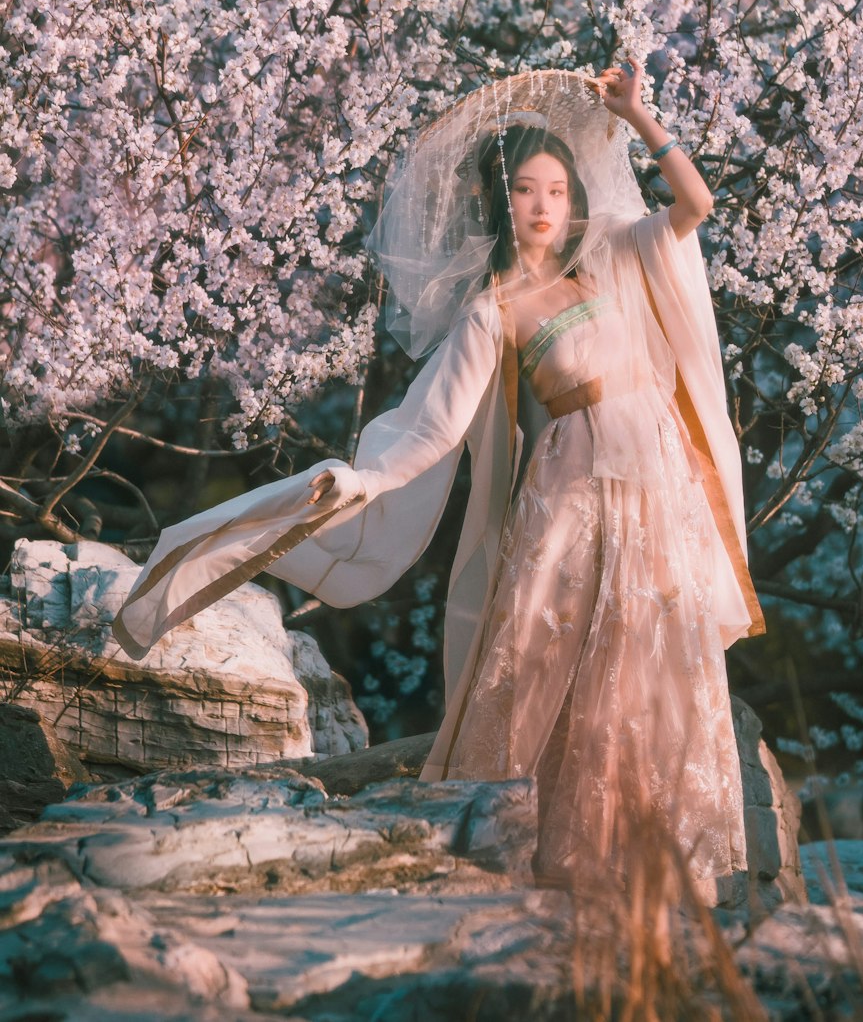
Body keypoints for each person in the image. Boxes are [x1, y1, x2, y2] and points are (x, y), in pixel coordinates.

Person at [113, 61, 764, 899]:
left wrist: (639, 116)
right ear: (506, 202)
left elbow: (695, 206)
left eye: (559, 191)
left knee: (649, 670)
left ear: (576, 203)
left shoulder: (613, 265)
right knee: (539, 668)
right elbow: (434, 427)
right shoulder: (494, 309)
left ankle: (659, 860)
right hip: (569, 503)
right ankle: (548, 851)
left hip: (655, 497)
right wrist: (361, 478)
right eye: (528, 190)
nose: (544, 206)